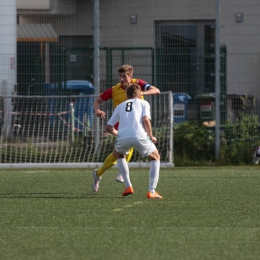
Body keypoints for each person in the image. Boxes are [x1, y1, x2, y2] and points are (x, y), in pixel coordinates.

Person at [92, 64, 160, 191]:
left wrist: (141, 93)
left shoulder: (138, 84)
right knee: (121, 153)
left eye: (124, 76)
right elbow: (97, 101)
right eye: (120, 76)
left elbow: (156, 90)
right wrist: (97, 110)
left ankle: (100, 174)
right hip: (121, 126)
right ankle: (112, 174)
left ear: (131, 76)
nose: (121, 79)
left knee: (119, 153)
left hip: (136, 126)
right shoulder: (114, 90)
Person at [103, 83, 162, 198]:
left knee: (120, 156)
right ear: (140, 94)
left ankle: (128, 186)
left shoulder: (120, 106)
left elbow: (108, 127)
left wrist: (119, 134)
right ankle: (152, 191)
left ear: (126, 94)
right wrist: (151, 136)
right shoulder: (144, 102)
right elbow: (146, 119)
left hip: (123, 136)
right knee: (155, 157)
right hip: (139, 135)